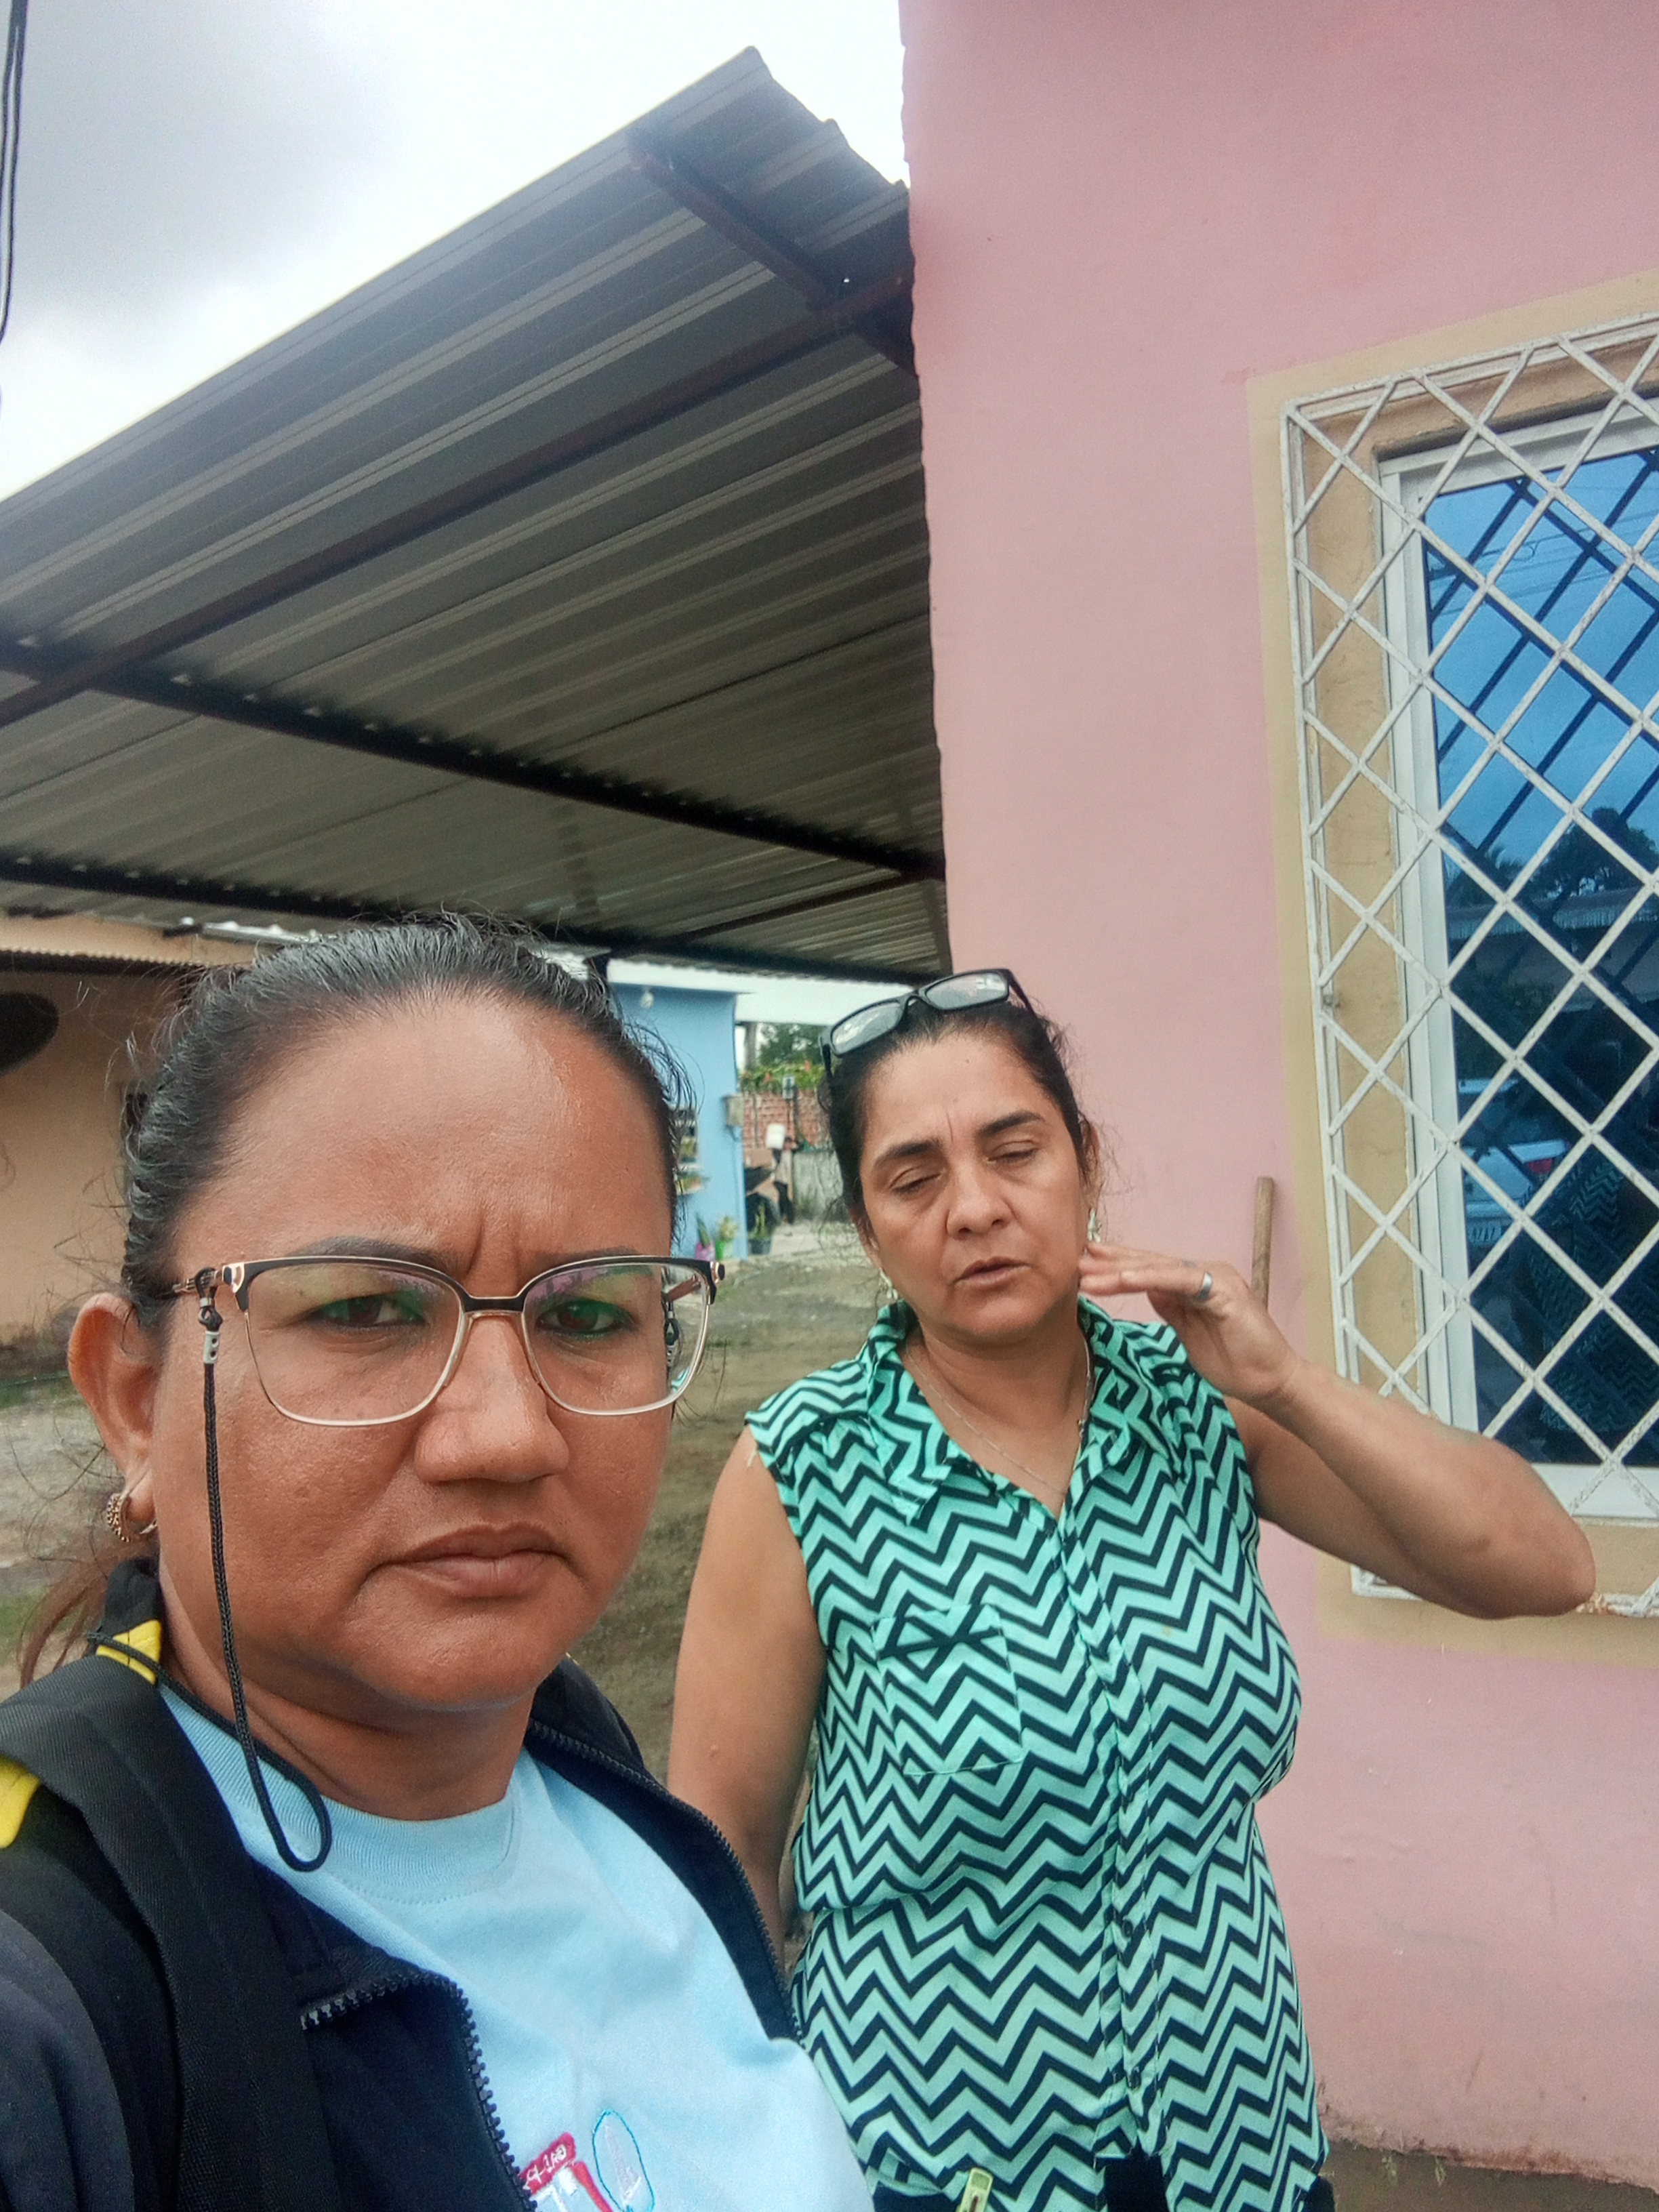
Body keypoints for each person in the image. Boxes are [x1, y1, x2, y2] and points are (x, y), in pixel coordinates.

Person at [668, 969, 1595, 2212]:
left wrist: (1284, 1380)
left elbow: (1543, 1566)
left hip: (1240, 2143)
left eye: (1015, 1152)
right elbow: (722, 1845)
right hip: (942, 2160)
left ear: (1087, 1163)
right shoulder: (802, 1469)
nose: (975, 1209)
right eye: (914, 1179)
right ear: (873, 1227)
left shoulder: (1202, 1413)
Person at [0, 920, 872, 2212]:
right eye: (366, 1310)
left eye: (589, 1314)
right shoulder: (59, 2009)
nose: (509, 1435)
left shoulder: (592, 1780)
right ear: (135, 1400)